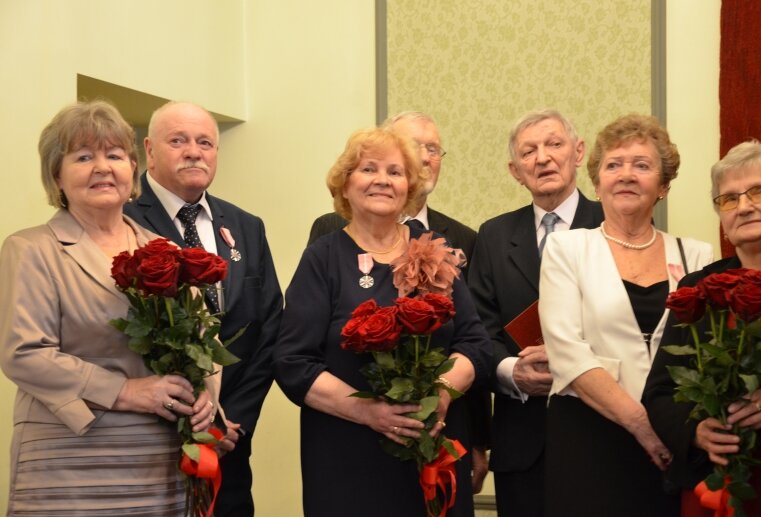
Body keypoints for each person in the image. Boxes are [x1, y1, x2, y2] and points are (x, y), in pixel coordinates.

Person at [0, 100, 232, 514]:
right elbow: (24, 353)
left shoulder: (166, 250)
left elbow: (204, 341)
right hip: (71, 458)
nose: (103, 167)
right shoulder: (31, 248)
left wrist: (204, 395)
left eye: (115, 155)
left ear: (132, 168)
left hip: (158, 463)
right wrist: (124, 391)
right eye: (84, 156)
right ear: (57, 175)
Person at [273, 126, 492, 516]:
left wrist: (440, 393)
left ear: (409, 186)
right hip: (348, 460)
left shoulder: (436, 251)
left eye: (395, 172)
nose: (382, 181)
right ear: (345, 183)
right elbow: (293, 363)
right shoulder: (322, 259)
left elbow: (475, 344)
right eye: (368, 169)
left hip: (434, 453)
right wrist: (368, 411)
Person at [538, 114, 713, 516]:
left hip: (674, 440)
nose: (626, 175)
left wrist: (671, 429)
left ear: (664, 185)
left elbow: (701, 355)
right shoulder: (566, 249)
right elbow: (568, 353)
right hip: (589, 435)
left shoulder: (696, 256)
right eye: (613, 165)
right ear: (597, 184)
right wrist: (644, 425)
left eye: (642, 165)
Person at [124, 101, 283, 516]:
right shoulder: (119, 220)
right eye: (178, 140)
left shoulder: (247, 226)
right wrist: (189, 416)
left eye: (205, 142)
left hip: (229, 449)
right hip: (147, 448)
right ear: (149, 150)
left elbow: (267, 331)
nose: (194, 151)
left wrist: (231, 420)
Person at [468, 109, 604, 516]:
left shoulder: (611, 224)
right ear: (515, 170)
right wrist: (512, 371)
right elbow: (477, 331)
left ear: (578, 152)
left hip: (602, 433)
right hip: (522, 443)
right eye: (529, 152)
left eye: (554, 144)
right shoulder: (493, 235)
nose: (542, 158)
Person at [643, 140, 761, 516]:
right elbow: (658, 393)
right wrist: (695, 432)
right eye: (729, 199)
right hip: (713, 487)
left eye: (760, 191)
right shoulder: (699, 287)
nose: (745, 206)